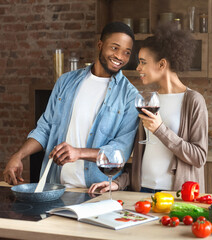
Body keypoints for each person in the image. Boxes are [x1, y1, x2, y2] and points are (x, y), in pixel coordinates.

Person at [3, 22, 139, 189]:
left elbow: (120, 153)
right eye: (115, 48)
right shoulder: (66, 82)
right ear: (100, 45)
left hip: (98, 191)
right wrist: (19, 155)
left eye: (127, 52)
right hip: (54, 187)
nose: (120, 56)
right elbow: (45, 127)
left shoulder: (130, 96)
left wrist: (78, 152)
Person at [89, 23, 208, 194]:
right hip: (143, 191)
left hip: (175, 195)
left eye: (143, 62)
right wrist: (117, 183)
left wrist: (160, 129)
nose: (138, 68)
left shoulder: (193, 101)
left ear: (162, 65)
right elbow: (141, 160)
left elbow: (199, 157)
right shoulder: (147, 101)